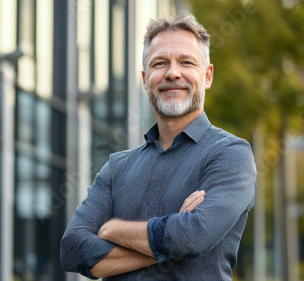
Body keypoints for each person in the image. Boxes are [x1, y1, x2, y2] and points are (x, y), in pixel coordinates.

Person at [60, 11, 257, 280]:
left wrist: (111, 229)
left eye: (186, 62)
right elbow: (72, 250)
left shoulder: (231, 155)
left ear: (207, 76)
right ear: (144, 78)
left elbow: (192, 237)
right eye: (160, 63)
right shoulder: (117, 167)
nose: (173, 73)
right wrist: (172, 236)